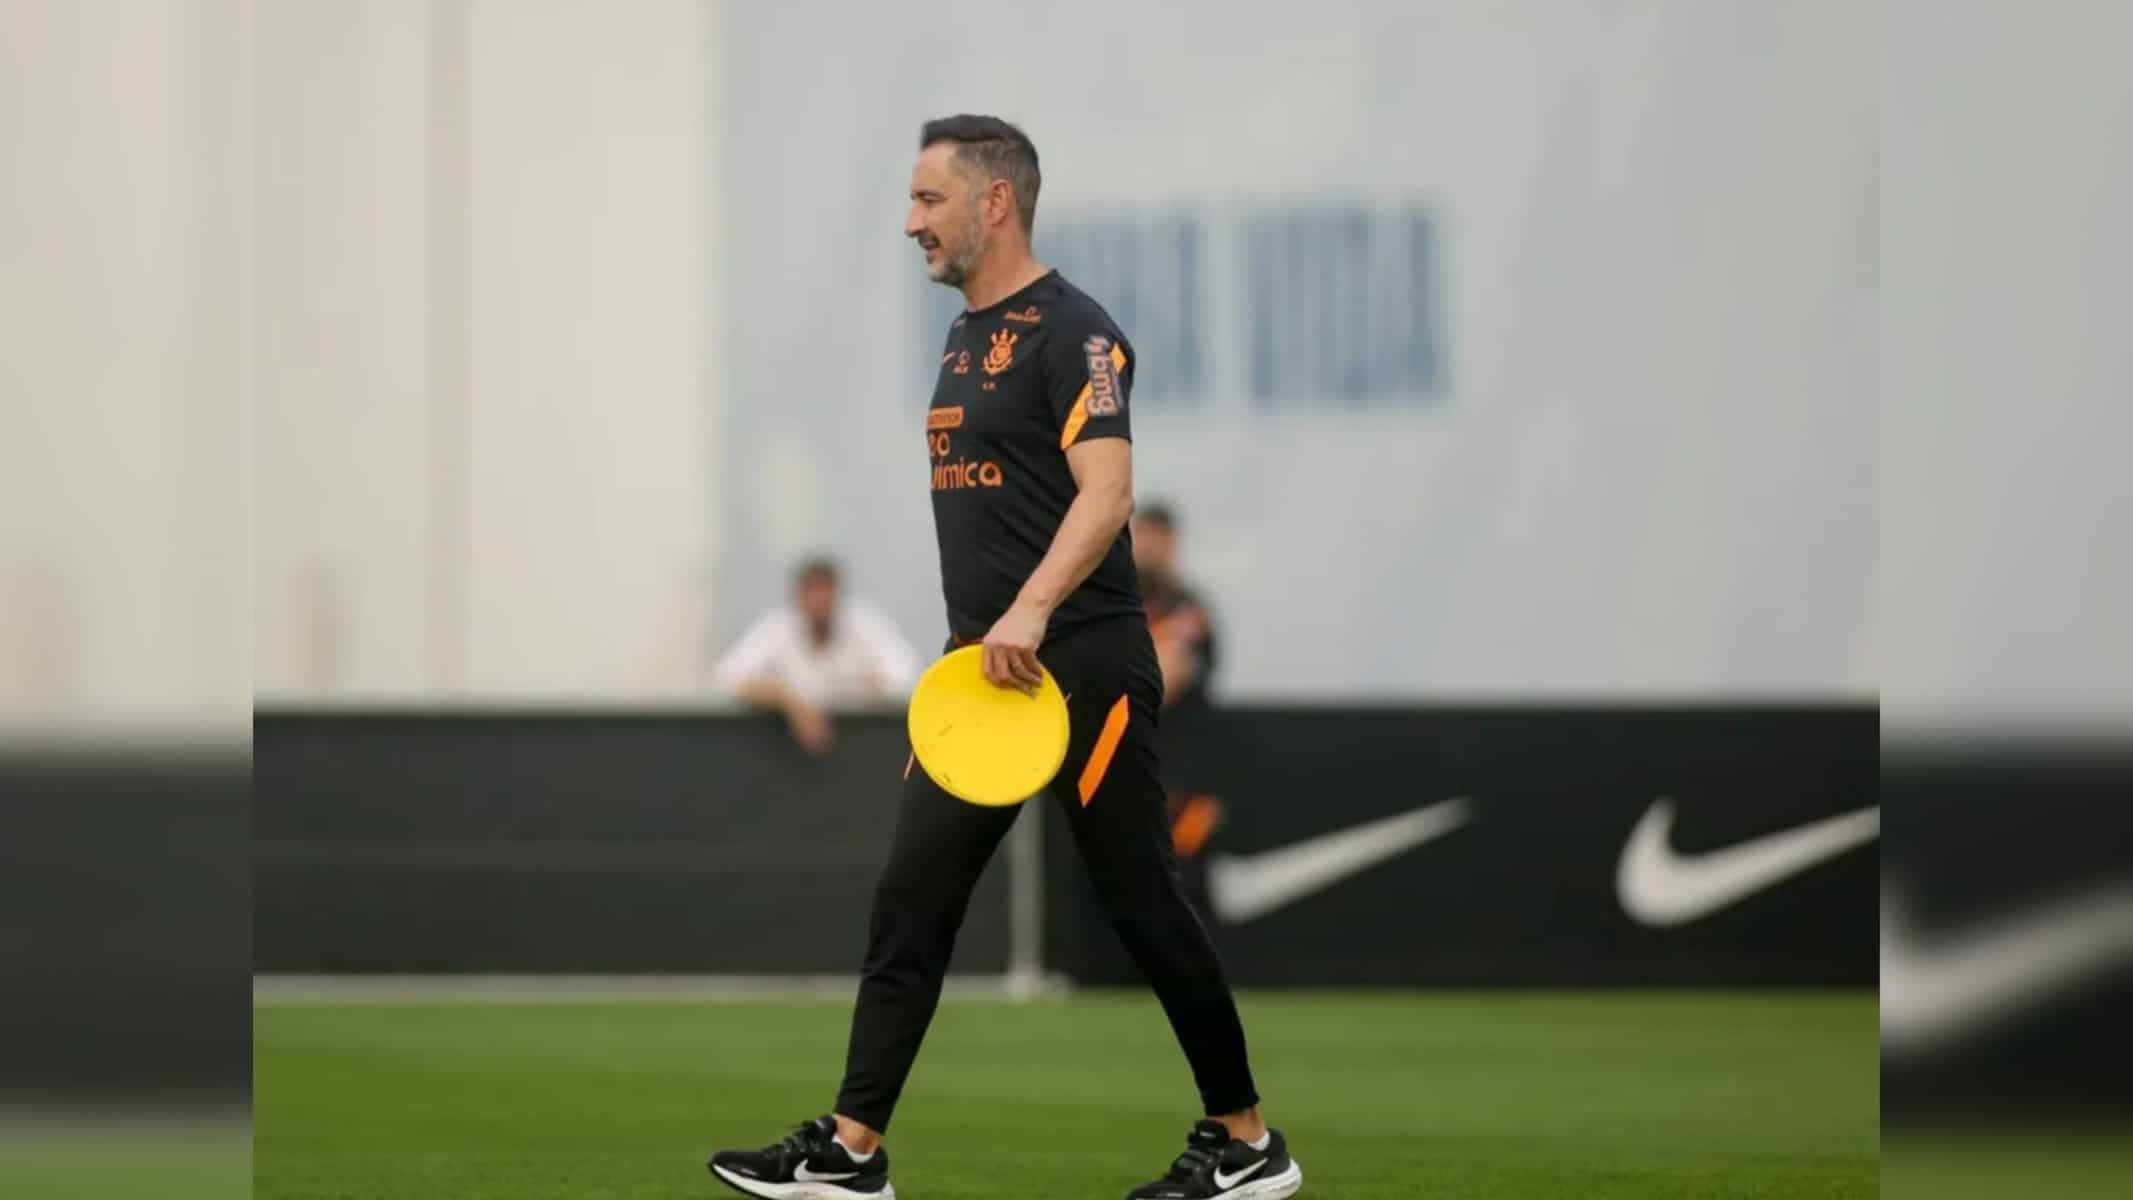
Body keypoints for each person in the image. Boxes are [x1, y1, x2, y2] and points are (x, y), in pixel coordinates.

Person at [707, 116, 1302, 1200]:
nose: (909, 222)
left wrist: (1028, 610)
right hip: (983, 676)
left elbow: (1108, 492)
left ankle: (1248, 1142)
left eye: (928, 199)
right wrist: (982, 645)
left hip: (1077, 660)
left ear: (994, 204)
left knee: (1138, 899)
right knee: (913, 896)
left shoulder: (1075, 332)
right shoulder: (960, 335)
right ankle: (852, 1153)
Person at [708, 556, 921, 756]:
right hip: (783, 760)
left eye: (825, 590)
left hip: (864, 753)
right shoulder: (777, 629)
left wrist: (863, 690)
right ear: (798, 596)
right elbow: (730, 678)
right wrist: (788, 701)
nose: (819, 601)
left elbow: (905, 676)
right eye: (811, 591)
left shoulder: (865, 626)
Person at [1132, 502, 1226, 861]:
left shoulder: (1188, 611)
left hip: (1181, 788)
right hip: (1129, 786)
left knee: (1182, 891)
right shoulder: (1118, 606)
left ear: (1172, 544)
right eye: (1141, 537)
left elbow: (1163, 683)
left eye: (1156, 539)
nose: (1146, 548)